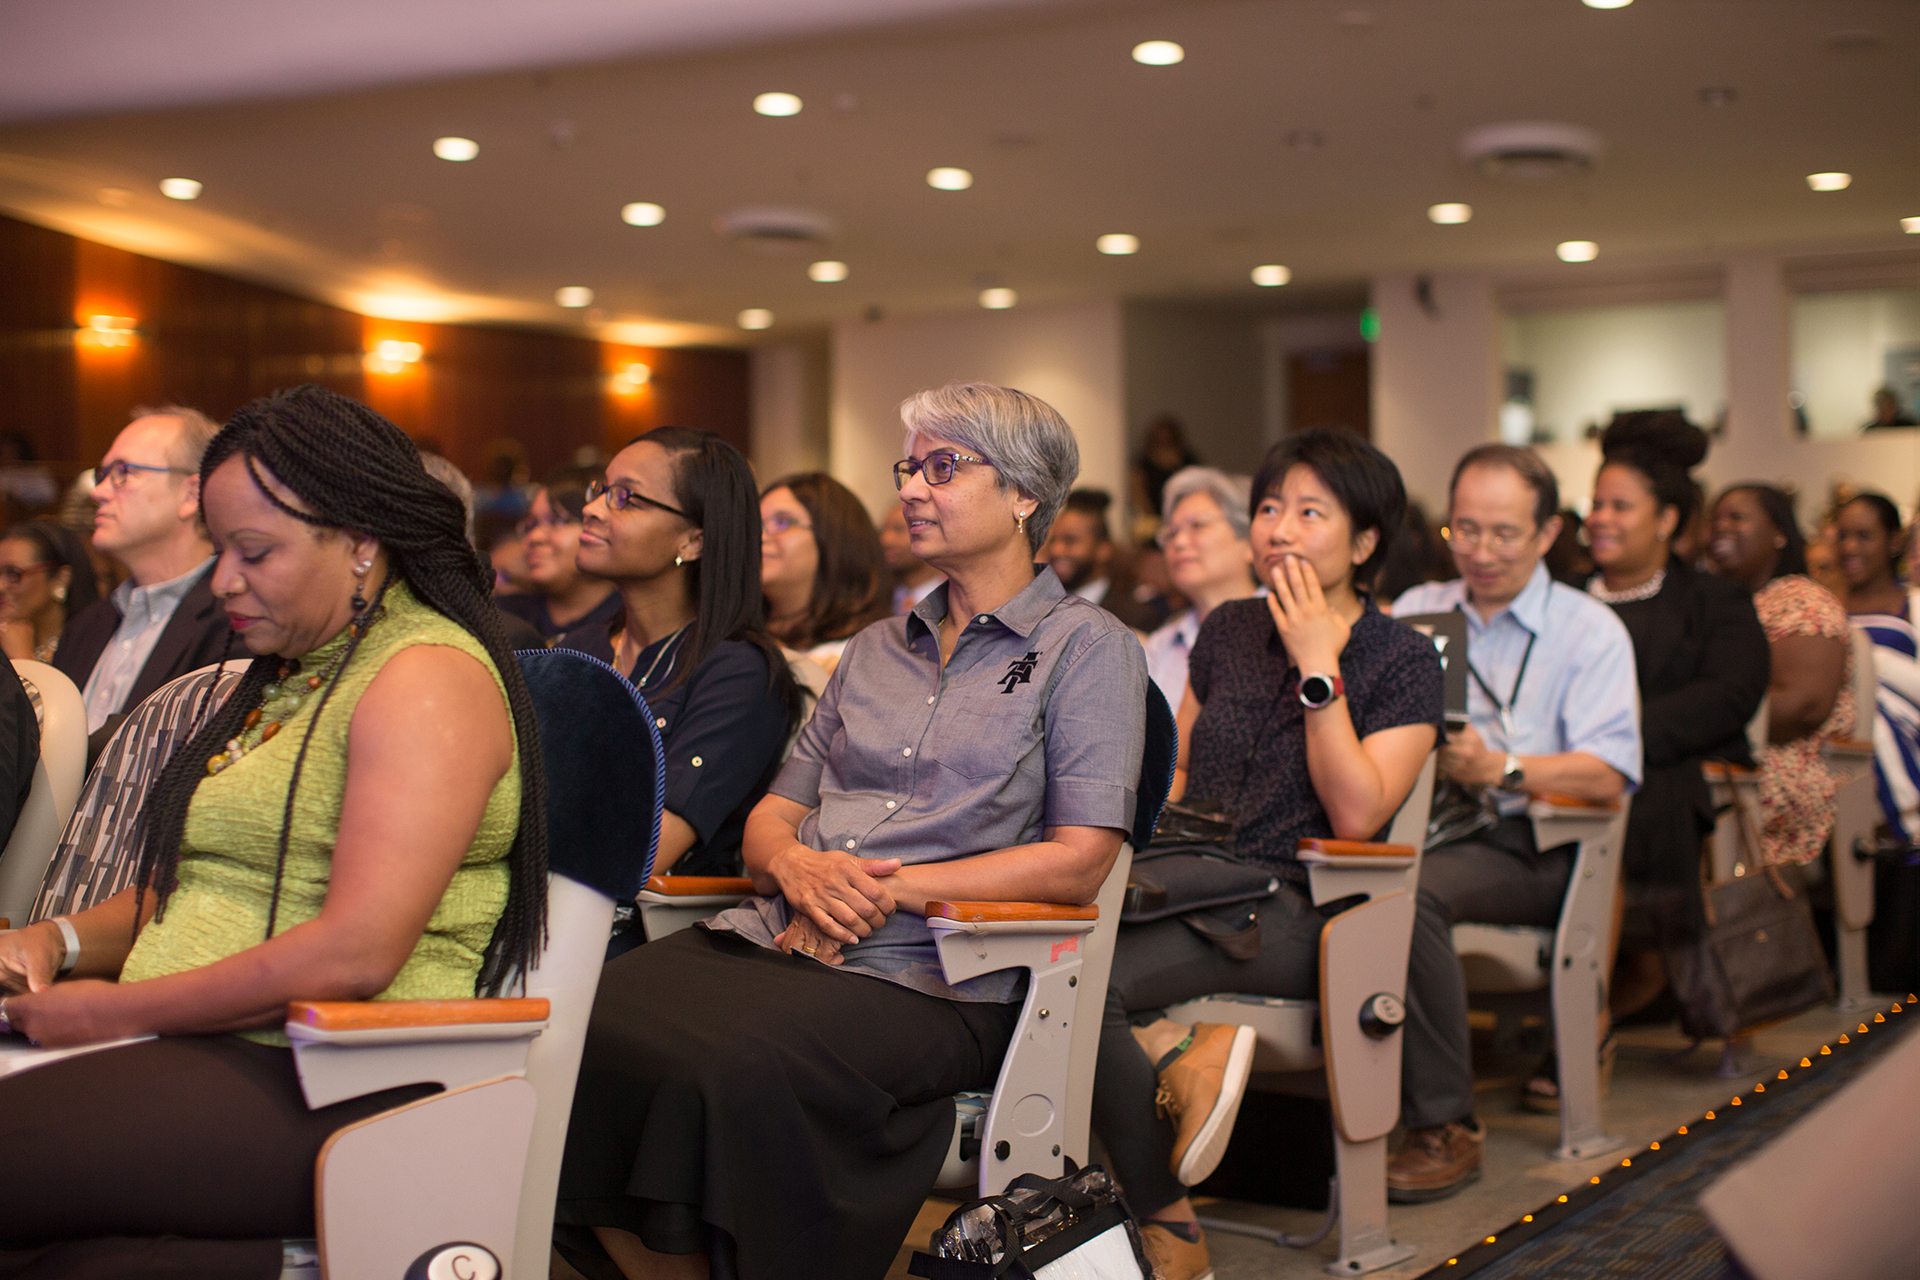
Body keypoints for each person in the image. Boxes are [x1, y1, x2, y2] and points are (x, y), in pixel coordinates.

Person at [555, 382, 1147, 1280]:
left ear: (1026, 495)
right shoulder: (877, 649)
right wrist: (797, 869)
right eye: (909, 467)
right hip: (782, 931)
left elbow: (1080, 862)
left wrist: (877, 890)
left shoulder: (1088, 647)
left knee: (727, 1070)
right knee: (572, 1024)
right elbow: (772, 820)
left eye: (942, 467)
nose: (910, 487)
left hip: (945, 972)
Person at [0, 384, 546, 1278]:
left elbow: (355, 953)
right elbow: (205, 889)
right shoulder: (295, 671)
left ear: (363, 544)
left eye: (254, 552)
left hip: (333, 1075)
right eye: (220, 550)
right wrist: (56, 939)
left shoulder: (424, 678)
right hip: (210, 1051)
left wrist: (111, 1008)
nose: (222, 582)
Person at [1096, 428, 1443, 1280]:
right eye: (1269, 508)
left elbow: (1360, 816)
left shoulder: (1401, 656)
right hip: (1188, 881)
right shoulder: (1225, 629)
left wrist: (1320, 667)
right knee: (1046, 955)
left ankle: (1168, 1226)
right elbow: (1174, 774)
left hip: (1301, 909)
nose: (1280, 528)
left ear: (1364, 544)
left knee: (1084, 988)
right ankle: (1181, 1050)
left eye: (1310, 512)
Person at [1390, 444, 1641, 1199]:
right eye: (1465, 530)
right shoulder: (1417, 612)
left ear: (1547, 533)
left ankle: (1447, 1124)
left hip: (1535, 843)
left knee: (1409, 895)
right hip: (1425, 826)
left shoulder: (1587, 629)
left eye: (1504, 534)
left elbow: (1609, 772)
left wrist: (1502, 768)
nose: (1481, 552)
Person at [1583, 414, 1769, 1030]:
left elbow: (1730, 694)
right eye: (1595, 503)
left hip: (1664, 765)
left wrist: (1618, 740)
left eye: (1619, 505)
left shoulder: (1712, 602)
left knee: (1638, 791)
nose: (1600, 518)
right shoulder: (1563, 600)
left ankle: (1611, 990)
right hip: (1562, 768)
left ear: (1665, 519)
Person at [559, 428, 801, 894]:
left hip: (643, 926)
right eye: (601, 490)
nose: (590, 509)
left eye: (625, 498)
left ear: (693, 541)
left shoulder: (739, 674)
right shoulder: (582, 645)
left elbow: (643, 851)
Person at [52, 405, 247, 759]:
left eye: (123, 473)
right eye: (103, 475)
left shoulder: (236, 623)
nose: (98, 493)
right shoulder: (85, 627)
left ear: (191, 495)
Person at [1705, 484, 1853, 866]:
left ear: (1779, 533)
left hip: (1789, 765)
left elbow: (1805, 706)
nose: (1719, 528)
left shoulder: (1802, 599)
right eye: (1715, 520)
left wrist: (1697, 723)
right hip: (1730, 757)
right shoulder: (1717, 607)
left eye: (1736, 517)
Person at [1834, 492, 1920, 842]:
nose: (1850, 547)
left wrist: (1873, 666)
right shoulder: (1825, 609)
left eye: (1864, 536)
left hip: (1904, 730)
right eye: (1843, 536)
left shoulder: (1911, 603)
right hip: (1840, 747)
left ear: (1894, 541)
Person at [1142, 466, 1256, 707]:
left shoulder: (1289, 628)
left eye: (1198, 526)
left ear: (1249, 540)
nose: (1179, 543)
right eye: (1171, 533)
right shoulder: (1161, 646)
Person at [760, 472, 893, 673]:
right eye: (754, 525)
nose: (760, 537)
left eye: (783, 522)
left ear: (834, 539)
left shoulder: (869, 654)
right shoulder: (737, 640)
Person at [497, 469, 622, 643]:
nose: (534, 537)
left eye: (557, 521)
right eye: (531, 525)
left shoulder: (625, 626)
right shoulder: (501, 616)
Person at [1046, 488, 1166, 632]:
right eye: (1053, 540)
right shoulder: (1044, 609)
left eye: (1070, 541)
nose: (1056, 550)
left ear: (1103, 549)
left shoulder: (1134, 617)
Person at [0, 519, 100, 662]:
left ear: (60, 578)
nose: (1, 587)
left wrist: (22, 659)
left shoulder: (90, 647)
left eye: (13, 574)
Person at [1129, 413, 1200, 539]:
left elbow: (1198, 489)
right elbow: (1138, 493)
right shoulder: (1144, 463)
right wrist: (1153, 518)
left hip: (1184, 516)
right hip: (1153, 520)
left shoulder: (1187, 460)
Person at [879, 503, 941, 613]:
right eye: (883, 530)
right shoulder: (879, 600)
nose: (885, 540)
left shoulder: (952, 601)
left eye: (899, 529)